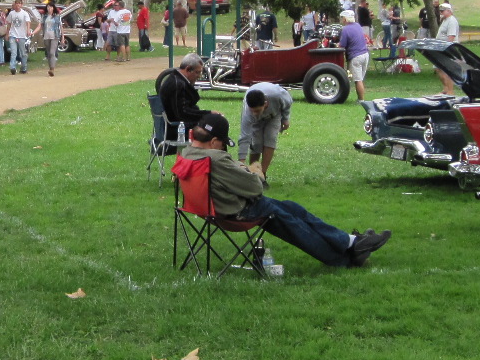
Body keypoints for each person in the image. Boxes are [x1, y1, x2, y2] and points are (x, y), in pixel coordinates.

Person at [182, 112, 390, 269]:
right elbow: (256, 188)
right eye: (222, 145)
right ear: (214, 141)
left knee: (292, 208)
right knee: (291, 221)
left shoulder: (187, 153)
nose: (223, 149)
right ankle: (345, 256)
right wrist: (251, 172)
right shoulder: (216, 159)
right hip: (235, 212)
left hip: (210, 210)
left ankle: (352, 243)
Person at [239, 82, 292, 177]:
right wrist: (241, 164)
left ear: (265, 104)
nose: (255, 113)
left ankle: (263, 174)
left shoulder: (277, 95)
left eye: (257, 111)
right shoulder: (248, 113)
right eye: (253, 111)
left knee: (270, 138)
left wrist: (285, 119)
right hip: (257, 118)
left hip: (274, 114)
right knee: (256, 142)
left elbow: (288, 102)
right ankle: (253, 173)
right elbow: (244, 137)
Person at [155, 53, 205, 138]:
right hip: (176, 129)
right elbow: (182, 113)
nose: (199, 76)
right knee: (215, 125)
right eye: (197, 72)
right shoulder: (178, 85)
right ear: (188, 69)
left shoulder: (174, 78)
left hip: (170, 126)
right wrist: (207, 115)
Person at [339, 11, 371, 101]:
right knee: (360, 79)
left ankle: (361, 100)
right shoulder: (358, 26)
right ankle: (360, 99)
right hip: (365, 54)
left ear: (345, 19)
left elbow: (342, 45)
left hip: (356, 56)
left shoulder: (345, 29)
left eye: (342, 18)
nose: (342, 20)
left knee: (358, 80)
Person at [434, 2, 461, 95]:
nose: (441, 12)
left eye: (443, 10)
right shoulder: (445, 20)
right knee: (438, 69)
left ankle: (450, 91)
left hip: (448, 48)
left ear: (449, 11)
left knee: (447, 70)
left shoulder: (452, 21)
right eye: (440, 10)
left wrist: (445, 49)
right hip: (440, 48)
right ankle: (445, 88)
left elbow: (451, 37)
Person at [6, 0, 32, 74]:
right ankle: (12, 67)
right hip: (13, 35)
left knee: (22, 52)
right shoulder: (11, 13)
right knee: (13, 52)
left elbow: (28, 22)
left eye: (19, 4)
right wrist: (7, 33)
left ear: (21, 5)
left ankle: (23, 67)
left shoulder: (24, 13)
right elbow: (9, 24)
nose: (17, 5)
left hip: (22, 35)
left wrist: (28, 30)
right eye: (16, 4)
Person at [40, 0, 62, 75]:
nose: (49, 9)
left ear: (53, 8)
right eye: (48, 7)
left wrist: (63, 37)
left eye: (51, 7)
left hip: (55, 36)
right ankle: (50, 68)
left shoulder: (57, 16)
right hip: (46, 36)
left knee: (52, 52)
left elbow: (61, 27)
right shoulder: (44, 16)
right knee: (49, 53)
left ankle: (52, 69)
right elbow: (41, 25)